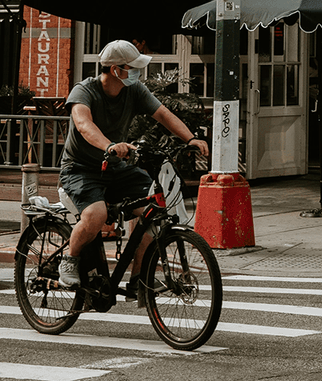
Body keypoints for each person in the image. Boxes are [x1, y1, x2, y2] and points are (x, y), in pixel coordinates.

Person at [57, 40, 209, 296]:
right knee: (96, 215)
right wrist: (110, 146)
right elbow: (84, 125)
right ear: (116, 70)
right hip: (81, 169)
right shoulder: (84, 91)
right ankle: (69, 260)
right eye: (133, 67)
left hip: (115, 168)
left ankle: (139, 278)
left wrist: (190, 139)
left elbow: (163, 114)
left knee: (154, 209)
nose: (138, 72)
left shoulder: (134, 90)